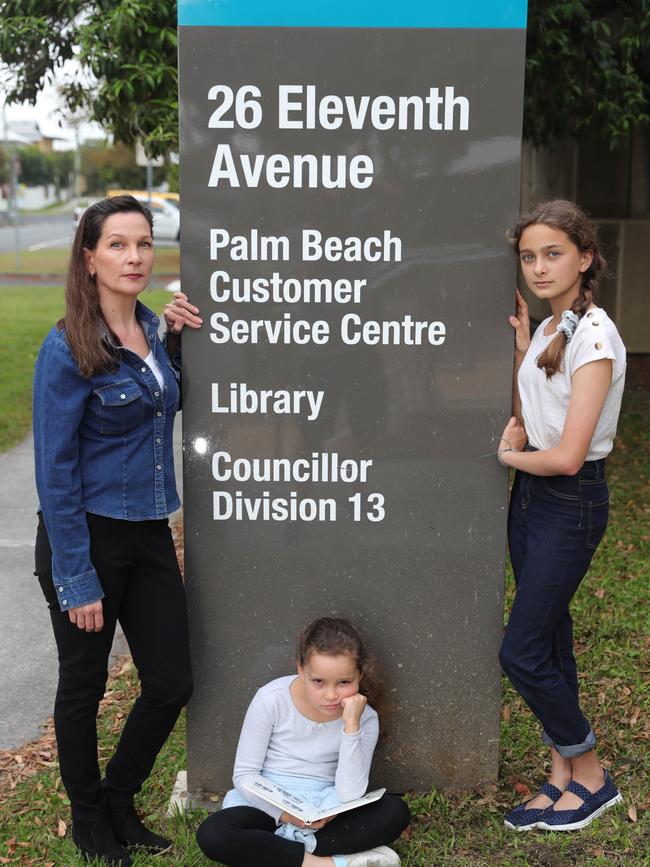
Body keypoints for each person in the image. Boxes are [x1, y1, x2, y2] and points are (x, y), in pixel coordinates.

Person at [33, 195, 202, 865]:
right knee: (84, 683)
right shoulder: (67, 346)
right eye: (117, 245)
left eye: (143, 244)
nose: (134, 257)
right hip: (88, 535)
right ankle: (87, 815)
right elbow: (55, 470)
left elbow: (169, 400)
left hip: (149, 530)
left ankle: (120, 795)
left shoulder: (154, 329)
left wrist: (179, 345)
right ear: (90, 257)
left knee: (171, 679)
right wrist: (76, 576)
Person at [496, 200, 626, 832]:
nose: (539, 267)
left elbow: (569, 455)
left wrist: (507, 458)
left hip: (568, 502)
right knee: (548, 640)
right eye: (529, 256)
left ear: (585, 257)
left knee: (519, 651)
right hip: (534, 500)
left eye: (553, 254)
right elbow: (539, 410)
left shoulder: (596, 336)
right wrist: (526, 347)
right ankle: (560, 772)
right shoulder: (551, 331)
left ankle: (594, 776)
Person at [196, 617, 411, 867]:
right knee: (214, 833)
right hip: (268, 808)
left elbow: (350, 793)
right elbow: (244, 775)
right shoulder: (271, 699)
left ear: (360, 675)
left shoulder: (365, 718)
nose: (331, 694)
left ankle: (271, 852)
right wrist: (285, 815)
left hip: (325, 811)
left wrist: (351, 726)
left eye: (344, 682)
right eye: (318, 681)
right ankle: (328, 864)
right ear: (300, 669)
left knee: (394, 811)